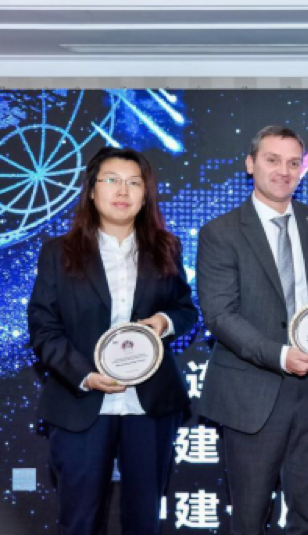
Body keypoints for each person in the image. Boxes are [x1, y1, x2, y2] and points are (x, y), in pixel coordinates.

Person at [28, 146, 197, 535]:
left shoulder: (167, 247)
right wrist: (85, 375)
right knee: (80, 521)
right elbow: (43, 327)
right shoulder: (58, 252)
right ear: (91, 190)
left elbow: (186, 309)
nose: (123, 191)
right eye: (112, 180)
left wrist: (165, 322)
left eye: (134, 183)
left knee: (144, 521)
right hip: (81, 401)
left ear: (145, 194)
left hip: (150, 403)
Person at [196, 126, 308, 535]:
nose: (284, 171)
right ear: (250, 164)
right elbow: (220, 315)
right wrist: (281, 356)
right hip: (251, 392)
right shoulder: (221, 232)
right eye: (272, 160)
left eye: (293, 162)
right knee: (249, 519)